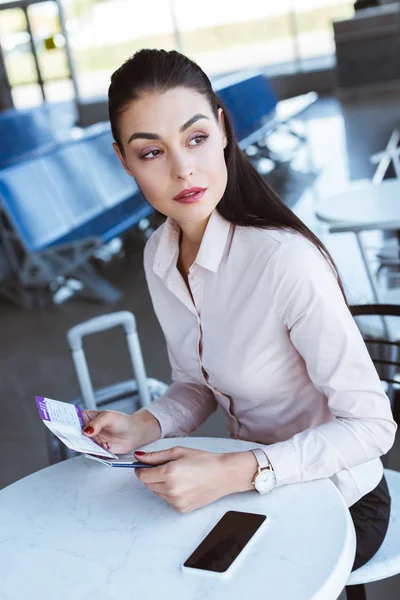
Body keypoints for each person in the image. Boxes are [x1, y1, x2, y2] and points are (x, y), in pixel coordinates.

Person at [83, 48, 397, 571]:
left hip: (340, 499)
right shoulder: (159, 254)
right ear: (123, 160)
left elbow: (371, 426)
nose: (184, 170)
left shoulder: (284, 262)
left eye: (196, 138)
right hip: (251, 489)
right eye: (152, 152)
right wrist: (144, 424)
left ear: (224, 131)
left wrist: (234, 470)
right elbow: (196, 382)